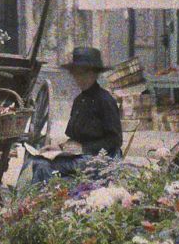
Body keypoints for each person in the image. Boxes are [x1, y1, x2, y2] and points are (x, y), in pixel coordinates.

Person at [24, 46, 123, 186]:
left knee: (44, 166)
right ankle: (39, 201)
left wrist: (84, 148)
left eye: (83, 73)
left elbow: (115, 140)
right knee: (38, 162)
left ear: (94, 74)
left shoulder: (105, 100)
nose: (78, 78)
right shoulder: (79, 101)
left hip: (101, 159)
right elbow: (75, 139)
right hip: (81, 157)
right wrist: (58, 148)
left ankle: (42, 201)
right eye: (76, 73)